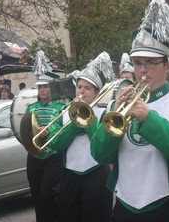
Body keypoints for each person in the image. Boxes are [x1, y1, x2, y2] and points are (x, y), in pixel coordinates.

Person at [91, 0, 169, 221]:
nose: (142, 70)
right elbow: (99, 154)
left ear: (167, 66)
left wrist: (148, 118)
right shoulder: (118, 103)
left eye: (150, 62)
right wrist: (114, 113)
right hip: (125, 205)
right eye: (137, 63)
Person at [47, 52, 115, 222]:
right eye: (79, 87)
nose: (82, 92)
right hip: (70, 174)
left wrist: (86, 117)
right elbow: (57, 143)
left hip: (97, 173)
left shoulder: (104, 113)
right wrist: (74, 122)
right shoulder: (65, 112)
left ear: (96, 92)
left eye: (87, 88)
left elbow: (101, 143)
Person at [25, 50, 65, 222]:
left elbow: (62, 130)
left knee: (48, 196)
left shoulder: (61, 107)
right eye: (40, 87)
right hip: (34, 156)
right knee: (36, 197)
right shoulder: (30, 108)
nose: (42, 90)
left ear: (52, 87)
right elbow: (25, 131)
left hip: (53, 156)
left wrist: (49, 133)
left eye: (45, 86)